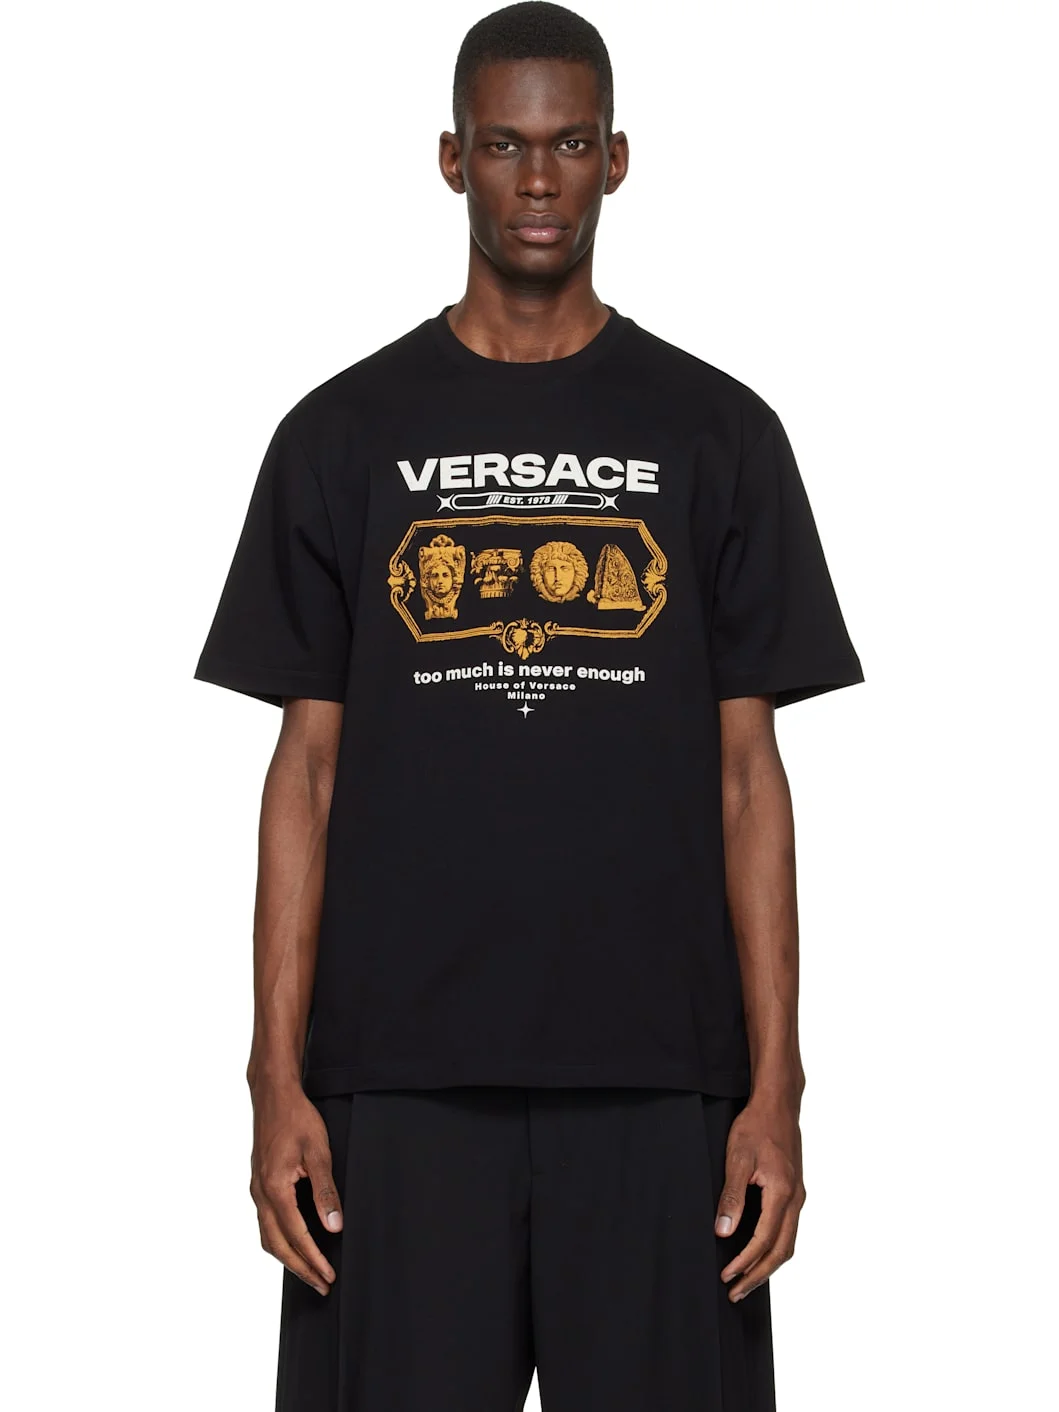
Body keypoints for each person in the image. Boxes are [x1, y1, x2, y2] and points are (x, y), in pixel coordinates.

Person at [194, 3, 865, 1408]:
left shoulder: (718, 432)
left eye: (568, 144)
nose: (539, 178)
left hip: (662, 1081)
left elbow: (750, 778)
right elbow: (303, 773)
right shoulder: (343, 434)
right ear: (452, 160)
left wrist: (777, 1089)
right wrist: (272, 1082)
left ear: (617, 159)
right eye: (504, 145)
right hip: (393, 1081)